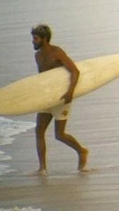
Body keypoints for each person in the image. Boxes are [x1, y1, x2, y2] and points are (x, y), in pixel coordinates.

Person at [31, 24, 89, 174]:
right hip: (47, 98)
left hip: (62, 97)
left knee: (60, 135)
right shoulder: (37, 56)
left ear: (44, 39)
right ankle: (42, 168)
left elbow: (75, 71)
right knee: (39, 131)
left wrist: (70, 92)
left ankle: (81, 151)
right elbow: (44, 79)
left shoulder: (57, 52)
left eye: (36, 38)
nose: (33, 41)